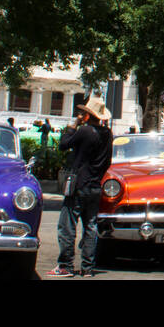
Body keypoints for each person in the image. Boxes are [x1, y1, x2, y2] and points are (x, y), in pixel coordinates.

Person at [48, 97, 111, 277]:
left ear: (87, 115)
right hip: (94, 185)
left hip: (78, 184)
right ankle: (87, 267)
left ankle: (65, 265)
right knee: (90, 226)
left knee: (67, 225)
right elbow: (107, 161)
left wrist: (73, 125)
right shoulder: (107, 134)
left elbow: (63, 144)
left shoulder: (85, 131)